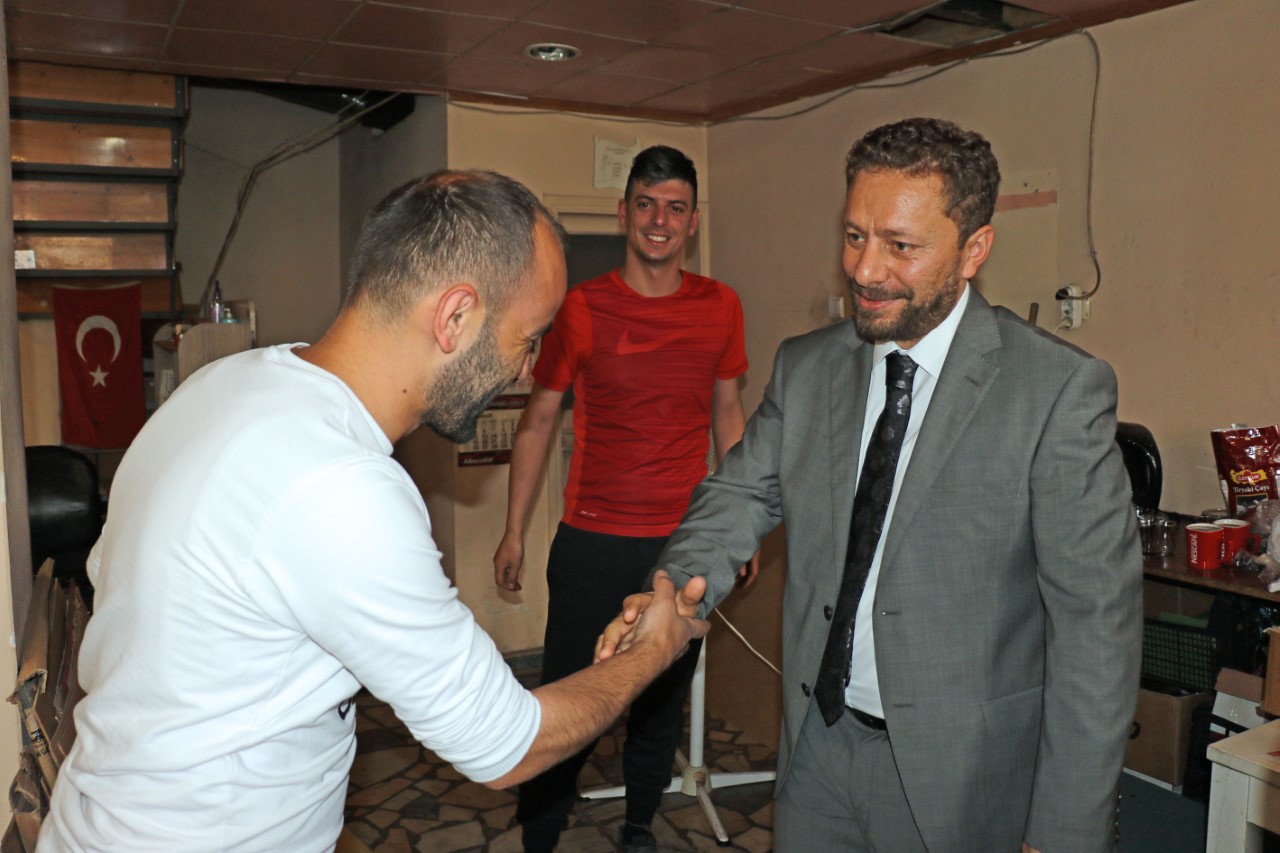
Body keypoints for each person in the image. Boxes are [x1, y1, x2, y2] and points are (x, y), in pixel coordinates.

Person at [38, 170, 710, 853]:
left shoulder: (221, 384)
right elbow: (506, 744)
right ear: (455, 317)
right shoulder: (340, 486)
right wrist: (657, 647)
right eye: (527, 338)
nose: (526, 370)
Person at [600, 118, 1142, 852]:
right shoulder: (808, 367)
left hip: (962, 779)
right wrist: (675, 590)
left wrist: (1063, 833)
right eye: (854, 236)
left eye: (900, 246)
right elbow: (739, 494)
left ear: (974, 249)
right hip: (816, 752)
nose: (864, 269)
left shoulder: (1055, 391)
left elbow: (1095, 630)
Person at [492, 145, 755, 853]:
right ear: (624, 213)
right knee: (567, 699)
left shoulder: (721, 307)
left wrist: (736, 528)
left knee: (659, 703)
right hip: (591, 541)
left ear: (692, 221)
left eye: (674, 207)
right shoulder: (582, 308)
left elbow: (728, 414)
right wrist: (513, 529)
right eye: (646, 204)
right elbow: (537, 421)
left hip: (683, 546)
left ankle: (639, 828)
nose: (659, 220)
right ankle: (541, 833)